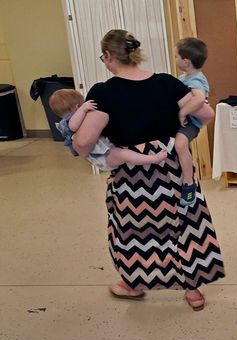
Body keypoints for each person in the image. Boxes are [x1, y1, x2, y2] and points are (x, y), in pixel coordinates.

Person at [73, 29, 224, 311]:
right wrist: (180, 129)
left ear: (108, 57)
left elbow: (83, 143)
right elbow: (205, 114)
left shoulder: (104, 93)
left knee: (135, 231)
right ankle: (193, 291)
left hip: (133, 174)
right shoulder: (167, 83)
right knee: (184, 226)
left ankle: (133, 284)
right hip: (173, 166)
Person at [50, 89, 167, 171]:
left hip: (103, 154)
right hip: (101, 158)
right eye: (82, 104)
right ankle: (153, 159)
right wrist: (84, 109)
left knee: (124, 155)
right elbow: (73, 126)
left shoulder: (75, 117)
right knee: (124, 155)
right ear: (77, 107)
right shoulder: (67, 122)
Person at [173, 37, 210, 206]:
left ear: (186, 62)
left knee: (180, 144)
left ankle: (189, 182)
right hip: (184, 121)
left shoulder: (196, 80)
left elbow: (199, 100)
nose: (175, 60)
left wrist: (182, 112)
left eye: (176, 57)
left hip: (192, 123)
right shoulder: (184, 77)